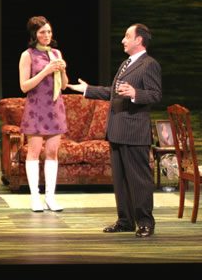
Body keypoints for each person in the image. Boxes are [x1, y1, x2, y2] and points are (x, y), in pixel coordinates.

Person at [67, 23, 161, 238]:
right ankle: (125, 221)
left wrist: (135, 93)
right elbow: (114, 92)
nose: (123, 40)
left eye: (127, 36)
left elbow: (155, 94)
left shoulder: (149, 64)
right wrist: (88, 90)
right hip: (118, 130)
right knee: (121, 180)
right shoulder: (126, 64)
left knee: (139, 180)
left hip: (134, 131)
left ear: (139, 40)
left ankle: (145, 222)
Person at [18, 16, 68, 212]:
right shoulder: (27, 55)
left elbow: (63, 85)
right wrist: (46, 71)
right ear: (34, 34)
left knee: (52, 153)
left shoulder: (56, 53)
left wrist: (62, 70)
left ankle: (50, 197)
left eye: (49, 31)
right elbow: (24, 86)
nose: (47, 35)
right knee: (34, 152)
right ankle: (35, 198)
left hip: (55, 108)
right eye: (42, 32)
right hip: (37, 108)